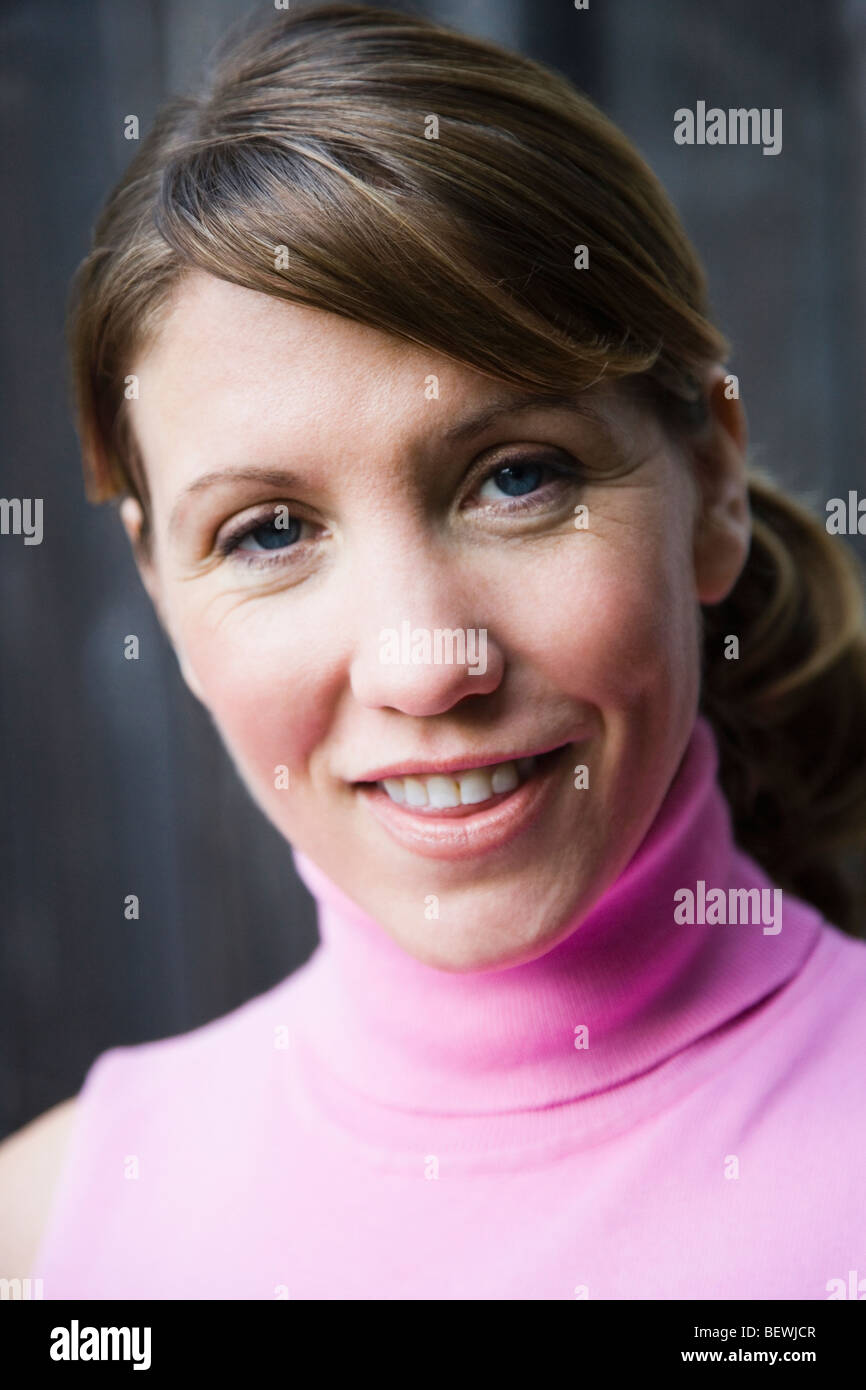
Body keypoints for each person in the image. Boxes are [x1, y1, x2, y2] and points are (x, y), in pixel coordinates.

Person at [2, 2, 865, 1299]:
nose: (424, 664)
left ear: (712, 480)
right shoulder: (50, 1233)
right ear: (162, 594)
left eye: (516, 478)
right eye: (269, 530)